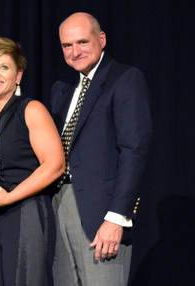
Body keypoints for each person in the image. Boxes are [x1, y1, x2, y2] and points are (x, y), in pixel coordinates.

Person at [49, 12, 152, 286]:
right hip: (58, 205)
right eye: (67, 46)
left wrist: (117, 217)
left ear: (102, 39)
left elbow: (134, 151)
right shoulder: (61, 90)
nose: (75, 51)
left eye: (82, 42)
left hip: (101, 214)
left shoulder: (125, 79)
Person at [0, 37, 65, 286]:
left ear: (18, 75)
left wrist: (8, 197)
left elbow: (55, 165)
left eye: (4, 67)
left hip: (24, 211)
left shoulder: (31, 110)